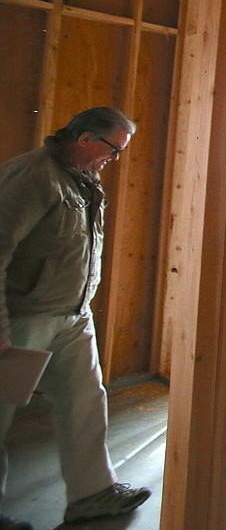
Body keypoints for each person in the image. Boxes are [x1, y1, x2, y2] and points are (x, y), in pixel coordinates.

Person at [0, 107, 151, 529]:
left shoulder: (83, 178)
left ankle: (92, 494)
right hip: (25, 317)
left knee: (85, 401)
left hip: (72, 315)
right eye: (113, 149)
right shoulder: (33, 177)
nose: (114, 159)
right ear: (86, 139)